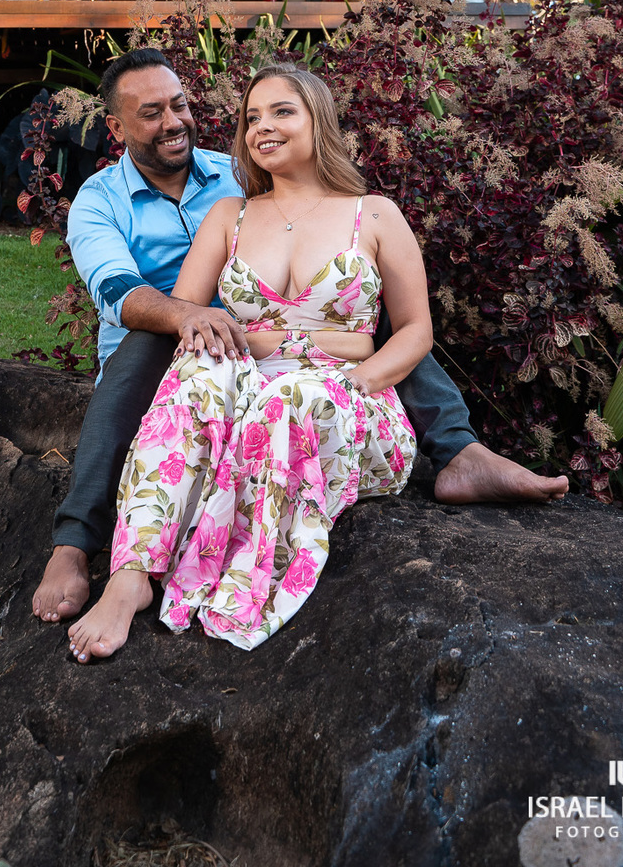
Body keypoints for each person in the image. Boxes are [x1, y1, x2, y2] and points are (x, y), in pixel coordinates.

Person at [31, 48, 568, 629]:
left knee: (362, 301)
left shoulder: (239, 173)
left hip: (300, 361)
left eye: (181, 105)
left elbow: (397, 311)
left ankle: (461, 452)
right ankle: (83, 546)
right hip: (179, 335)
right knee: (162, 352)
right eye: (153, 112)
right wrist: (192, 319)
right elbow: (120, 293)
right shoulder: (102, 200)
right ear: (117, 129)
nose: (174, 122)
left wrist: (345, 360)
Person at [69, 63, 429, 654]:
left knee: (288, 399)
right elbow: (184, 315)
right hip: (250, 387)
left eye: (282, 111)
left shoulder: (376, 214)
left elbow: (415, 329)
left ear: (319, 117)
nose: (263, 126)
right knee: (193, 380)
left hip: (344, 398)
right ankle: (130, 574)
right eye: (252, 116)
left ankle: (236, 578)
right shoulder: (229, 214)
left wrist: (359, 382)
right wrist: (215, 366)